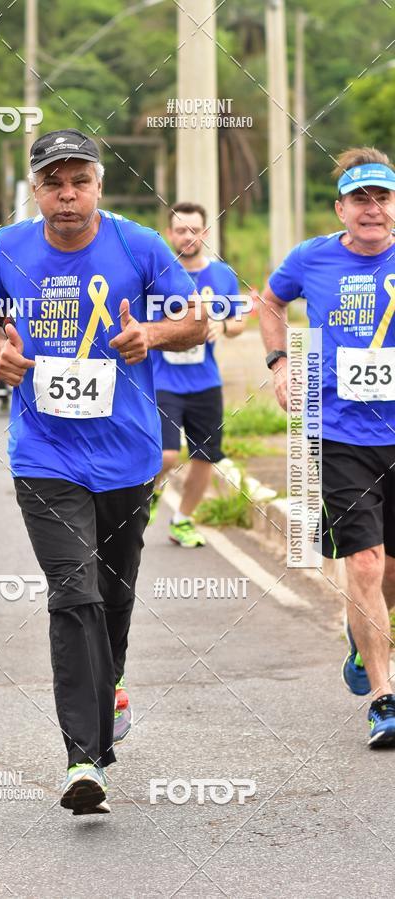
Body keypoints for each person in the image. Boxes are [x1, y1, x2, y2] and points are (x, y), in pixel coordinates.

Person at [0, 128, 207, 815]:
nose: (66, 194)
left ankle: (115, 678)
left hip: (128, 454)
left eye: (79, 181)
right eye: (53, 182)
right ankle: (85, 756)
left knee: (114, 592)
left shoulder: (139, 245)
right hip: (44, 454)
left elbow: (196, 319)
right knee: (74, 592)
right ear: (37, 188)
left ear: (100, 184)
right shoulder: (7, 248)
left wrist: (152, 335)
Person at [260, 146, 395, 748]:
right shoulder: (309, 259)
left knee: (388, 570)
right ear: (341, 209)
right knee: (363, 562)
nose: (372, 209)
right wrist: (281, 360)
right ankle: (386, 699)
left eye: (383, 197)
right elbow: (269, 300)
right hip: (340, 433)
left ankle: (363, 637)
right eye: (360, 199)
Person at [149, 202, 246, 546]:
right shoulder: (158, 274)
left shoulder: (222, 274)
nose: (187, 236)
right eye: (180, 230)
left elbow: (239, 319)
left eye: (194, 230)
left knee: (206, 457)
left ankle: (183, 519)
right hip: (163, 381)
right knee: (166, 455)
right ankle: (153, 491)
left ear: (205, 233)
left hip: (206, 382)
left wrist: (222, 325)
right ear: (169, 234)